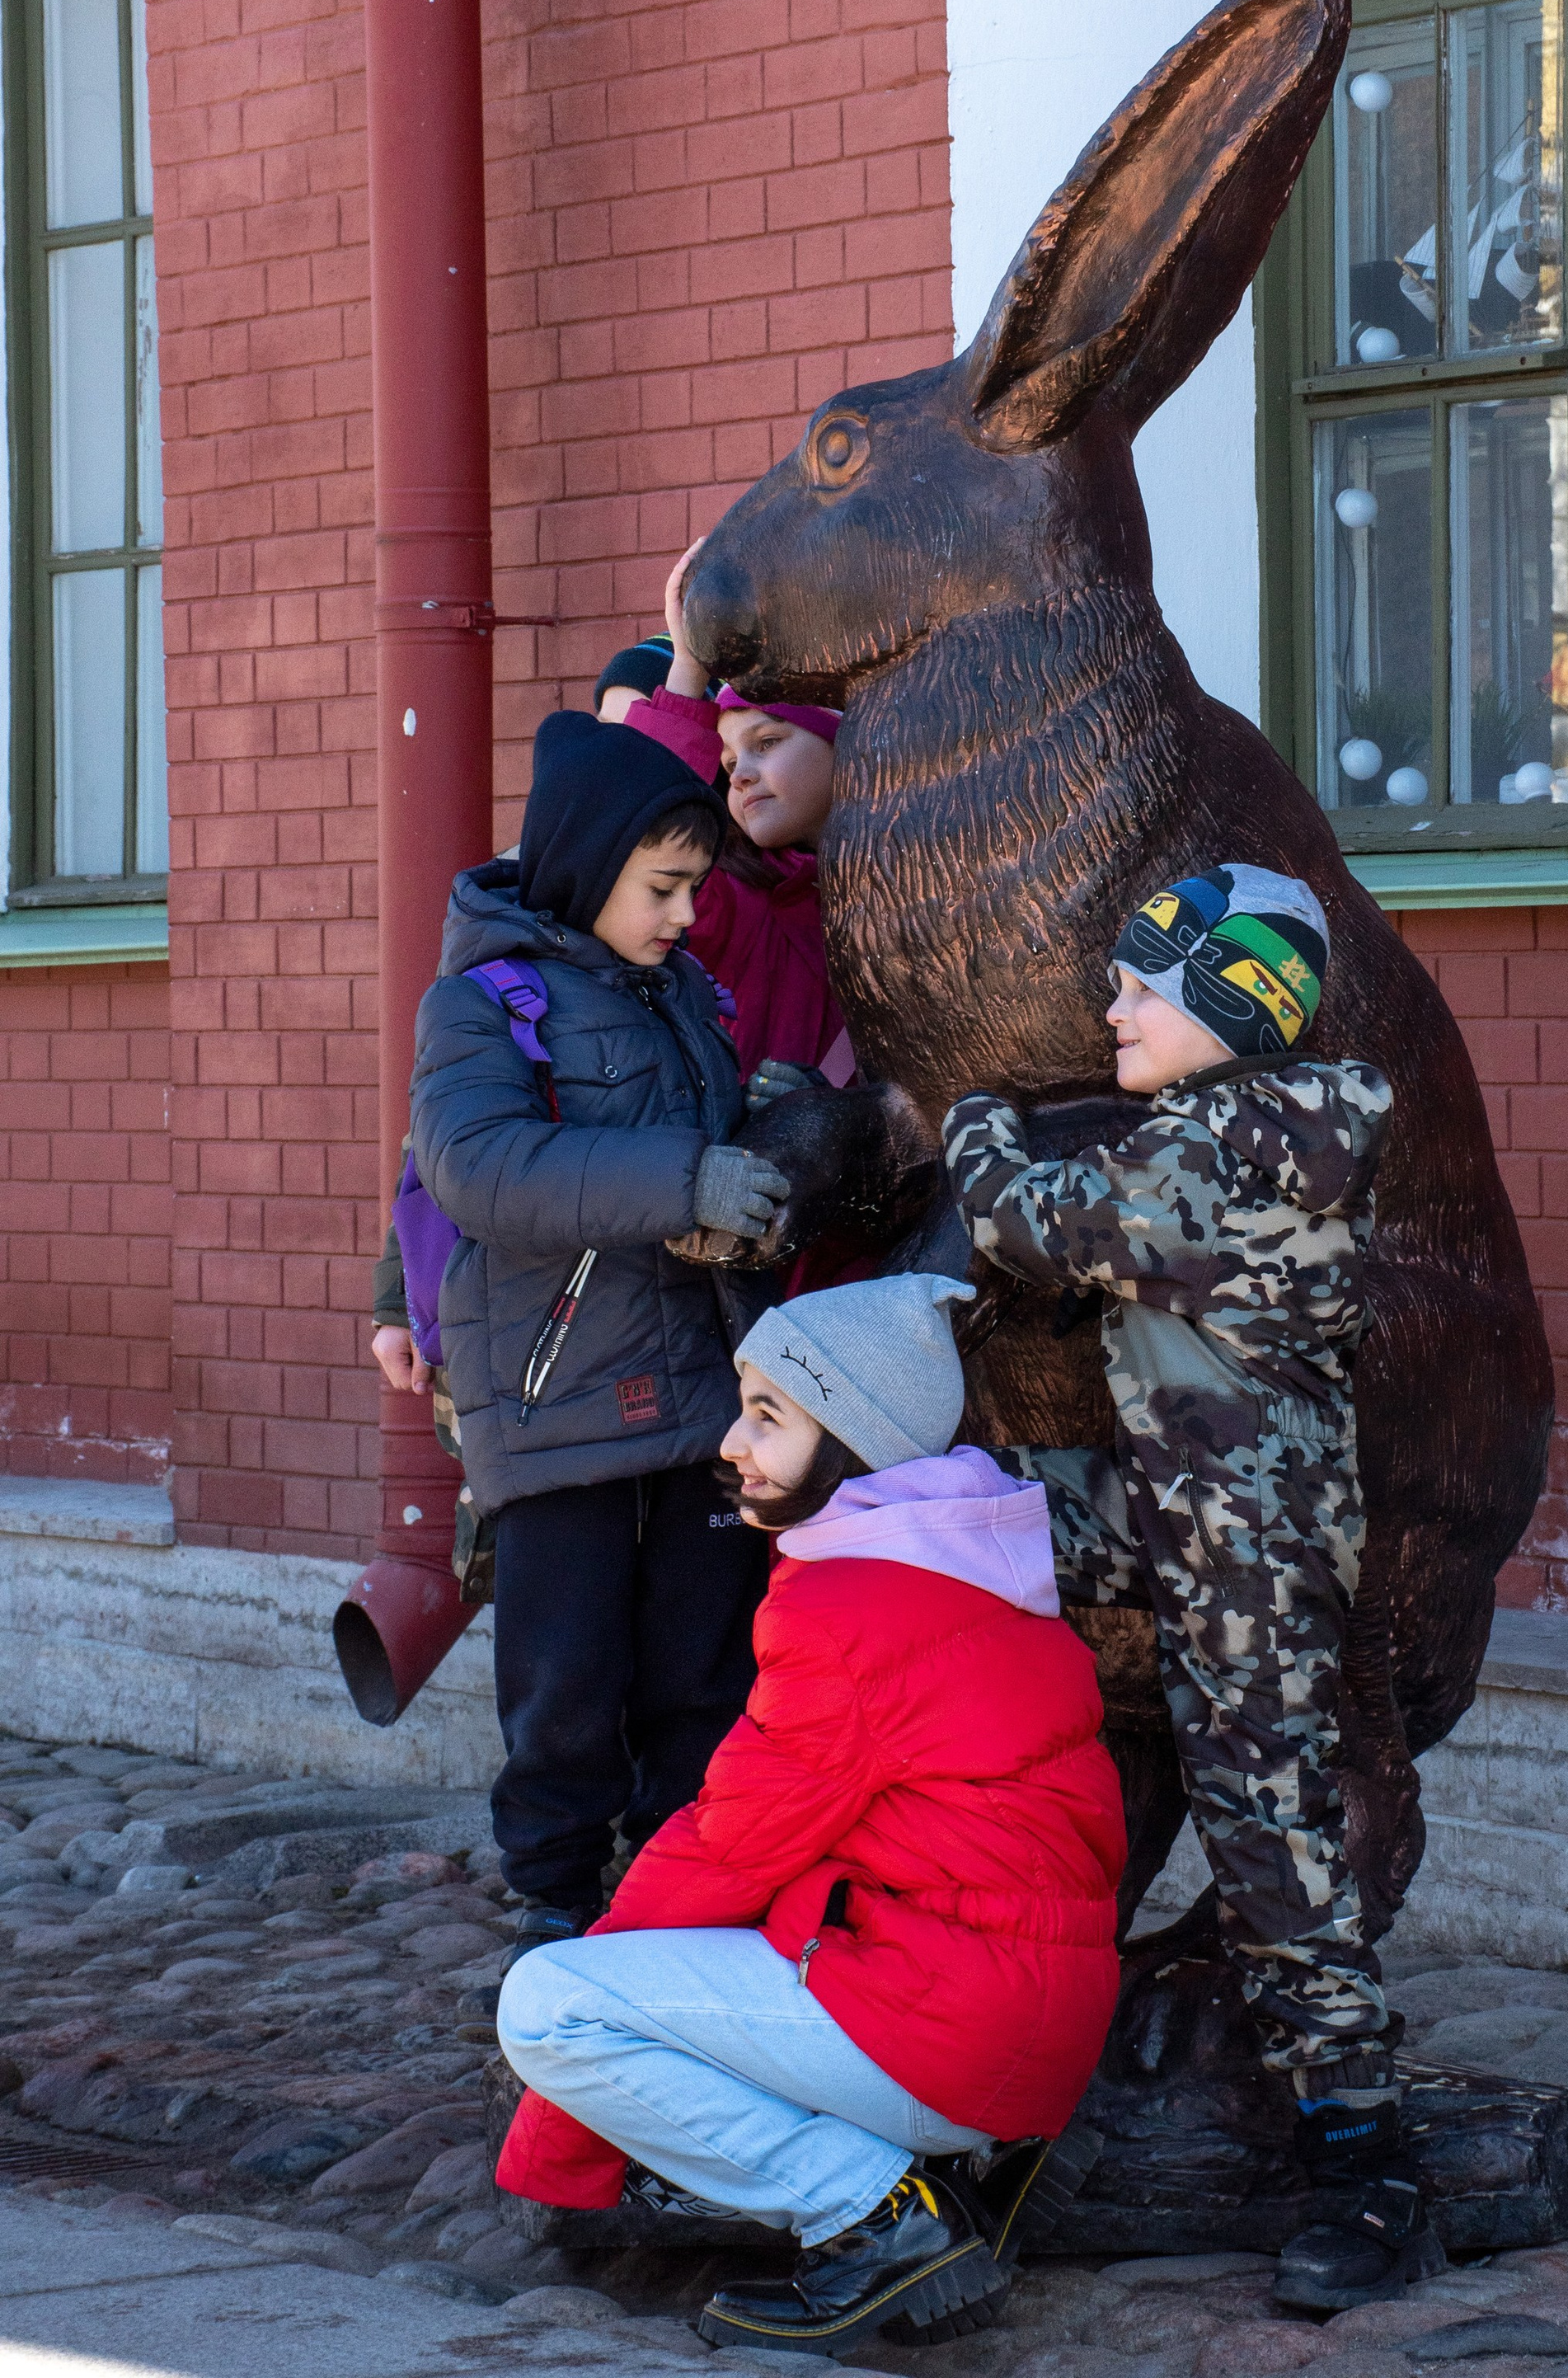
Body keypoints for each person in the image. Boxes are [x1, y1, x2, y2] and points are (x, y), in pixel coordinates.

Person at [941, 864, 1441, 2318]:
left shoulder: (1232, 1152)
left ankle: (1368, 2161)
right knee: (945, 1523)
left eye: (1141, 988)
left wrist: (974, 1122)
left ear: (1230, 1006)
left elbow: (1034, 1225)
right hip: (1177, 1503)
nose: (1111, 1008)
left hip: (1246, 1553)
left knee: (1267, 1830)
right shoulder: (1225, 1124)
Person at [493, 1271, 1126, 2356]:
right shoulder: (975, 1573)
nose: (733, 1444)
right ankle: (960, 2170)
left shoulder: (849, 1610)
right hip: (1032, 2022)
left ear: (855, 1442)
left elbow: (721, 1847)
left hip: (959, 2026)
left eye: (770, 1416)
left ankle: (878, 2217)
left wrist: (559, 2122)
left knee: (552, 2008)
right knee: (760, 1930)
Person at [409, 710, 796, 1954]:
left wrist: (766, 1143)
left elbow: (709, 1153)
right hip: (553, 1400)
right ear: (587, 868)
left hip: (698, 1400)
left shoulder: (685, 994)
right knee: (566, 1687)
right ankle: (552, 1902)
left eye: (695, 889)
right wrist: (687, 1179)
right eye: (665, 887)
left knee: (700, 1675)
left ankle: (675, 1896)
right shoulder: (485, 1003)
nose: (687, 915)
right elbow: (478, 1167)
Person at [619, 543, 850, 1085]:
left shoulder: (919, 880)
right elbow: (635, 829)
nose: (739, 773)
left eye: (766, 742)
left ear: (844, 741)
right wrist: (686, 667)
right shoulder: (722, 895)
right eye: (726, 761)